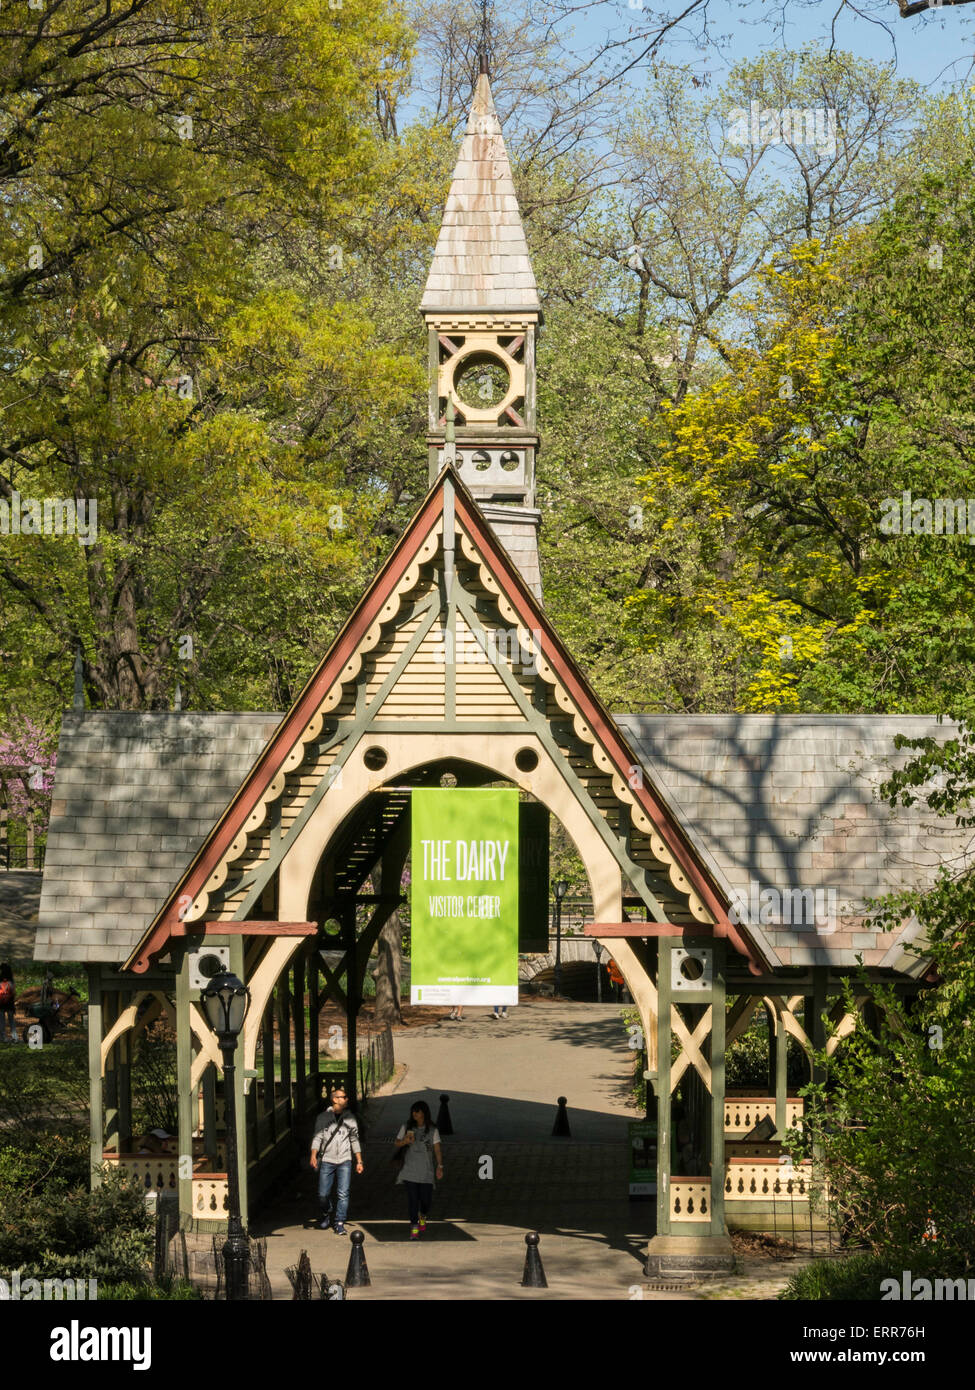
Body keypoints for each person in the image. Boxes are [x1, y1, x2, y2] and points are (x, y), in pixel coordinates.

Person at [310, 1086, 363, 1235]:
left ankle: (339, 1222)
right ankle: (326, 1212)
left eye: (346, 1097)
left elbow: (354, 1139)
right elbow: (317, 1137)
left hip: (345, 1159)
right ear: (334, 1099)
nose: (346, 1099)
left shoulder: (350, 1119)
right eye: (343, 1097)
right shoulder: (323, 1118)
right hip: (327, 1159)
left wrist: (359, 1161)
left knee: (343, 1193)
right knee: (323, 1194)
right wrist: (313, 1155)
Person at [393, 1099, 443, 1239]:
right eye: (413, 1111)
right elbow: (397, 1143)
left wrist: (440, 1166)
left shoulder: (433, 1130)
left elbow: (437, 1150)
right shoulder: (407, 1127)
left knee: (426, 1200)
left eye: (417, 1111)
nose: (414, 1114)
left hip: (426, 1171)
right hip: (410, 1170)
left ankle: (423, 1215)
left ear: (424, 1113)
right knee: (413, 1200)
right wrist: (405, 1141)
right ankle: (414, 1228)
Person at [0, 963, 17, 1044]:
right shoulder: (11, 981)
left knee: (2, 1022)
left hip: (0, 1004)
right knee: (11, 1021)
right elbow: (14, 993)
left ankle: (3, 1038)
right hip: (10, 1004)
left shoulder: (0, 980)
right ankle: (15, 1037)